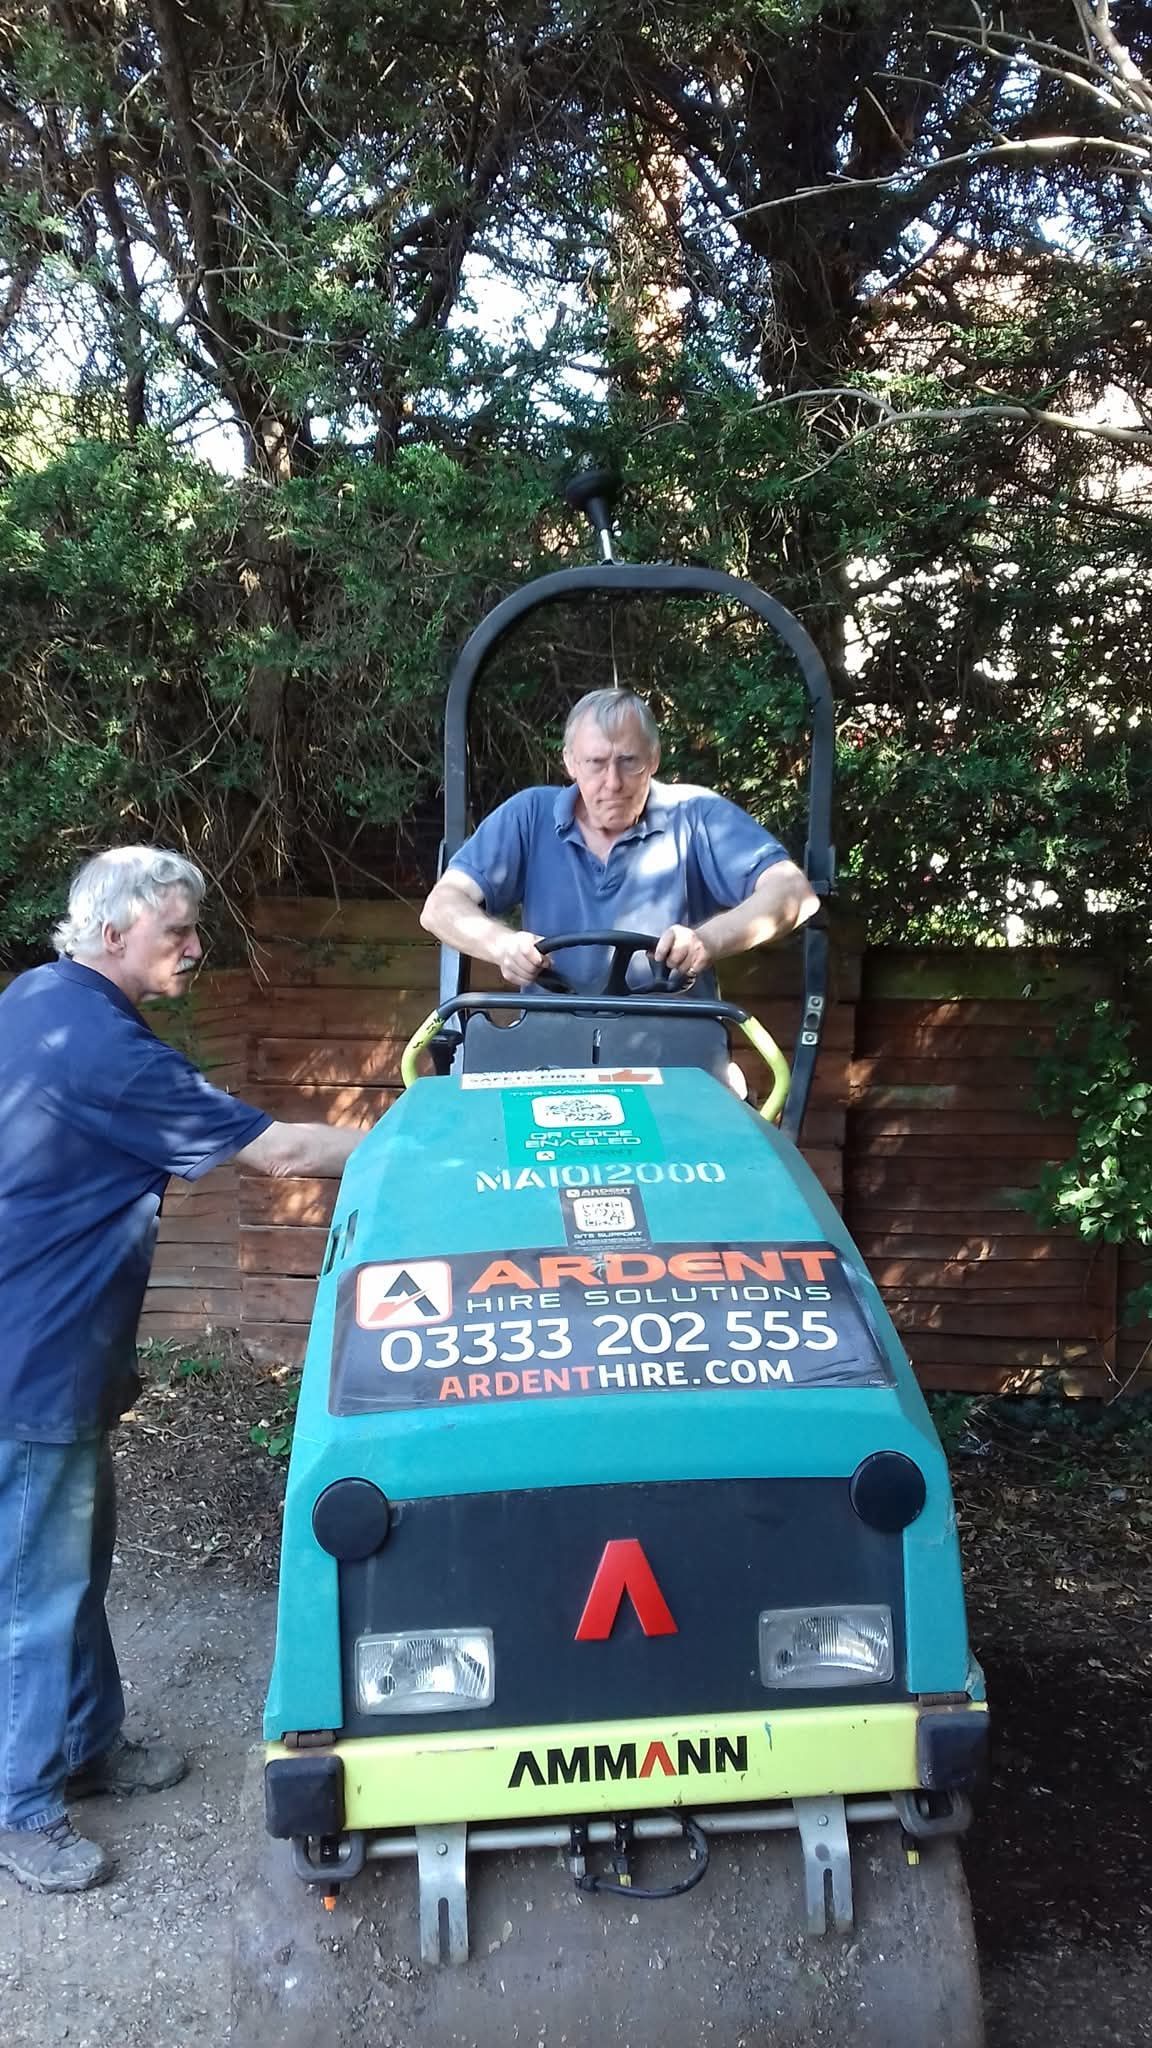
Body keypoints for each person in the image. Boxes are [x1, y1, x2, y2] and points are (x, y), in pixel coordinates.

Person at [0, 847, 364, 1898]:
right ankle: (24, 1808)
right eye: (177, 933)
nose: (198, 948)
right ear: (114, 934)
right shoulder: (104, 1052)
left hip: (60, 1348)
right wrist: (429, 1137)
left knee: (75, 1561)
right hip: (32, 1360)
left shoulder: (39, 996)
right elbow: (284, 1153)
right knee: (36, 1585)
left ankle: (91, 1743)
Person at [420, 688, 819, 994]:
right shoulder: (529, 816)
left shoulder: (696, 815)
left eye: (629, 761)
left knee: (729, 1096)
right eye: (595, 763)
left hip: (678, 1050)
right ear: (570, 762)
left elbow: (794, 892)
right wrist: (502, 945)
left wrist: (706, 941)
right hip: (548, 1046)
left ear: (655, 758)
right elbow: (441, 907)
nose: (612, 782)